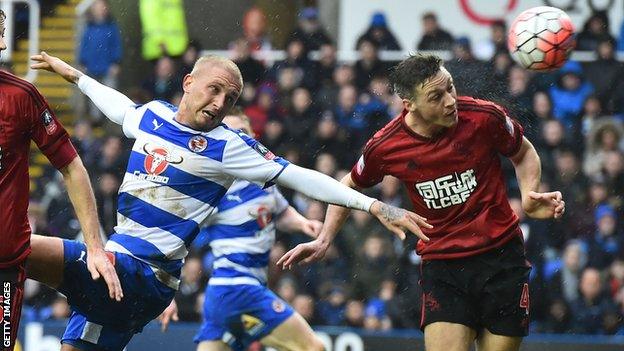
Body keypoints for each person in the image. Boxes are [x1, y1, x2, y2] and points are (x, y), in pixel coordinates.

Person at [28, 51, 429, 351]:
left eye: (231, 98)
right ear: (188, 82)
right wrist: (75, 76)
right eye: (214, 89)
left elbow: (301, 177)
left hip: (141, 273)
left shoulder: (227, 146)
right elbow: (120, 108)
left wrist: (374, 205)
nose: (220, 103)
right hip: (120, 278)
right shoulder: (151, 117)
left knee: (17, 249)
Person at [278, 54, 565, 351]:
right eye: (436, 97)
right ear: (409, 104)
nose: (450, 101)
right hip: (443, 265)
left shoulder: (484, 117)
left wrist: (530, 196)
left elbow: (523, 152)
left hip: (502, 258)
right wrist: (325, 239)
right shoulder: (386, 146)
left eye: (450, 88)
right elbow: (348, 186)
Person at [0, 10, 122, 351]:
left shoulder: (22, 97)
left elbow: (71, 166)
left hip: (4, 271)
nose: (4, 44)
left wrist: (95, 246)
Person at [185, 110, 326, 351]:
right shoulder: (213, 188)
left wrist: (304, 223)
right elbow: (182, 226)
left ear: (253, 138)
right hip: (238, 286)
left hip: (224, 294)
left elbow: (280, 213)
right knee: (313, 348)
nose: (237, 138)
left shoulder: (265, 181)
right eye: (230, 133)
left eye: (243, 133)